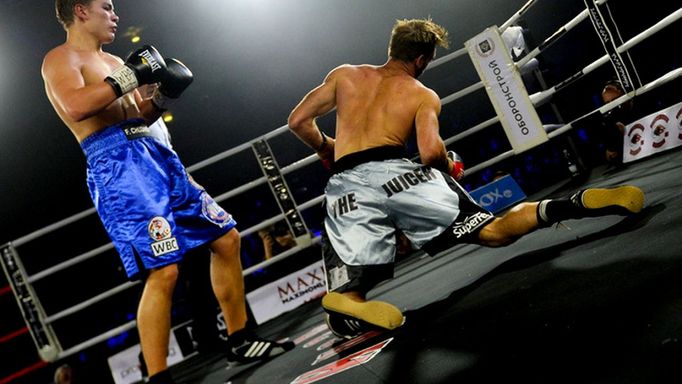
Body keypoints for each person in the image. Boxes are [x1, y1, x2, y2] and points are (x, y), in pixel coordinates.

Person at [287, 18, 645, 339]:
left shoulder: (345, 75)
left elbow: (298, 120)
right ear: (422, 60)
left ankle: (349, 297)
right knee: (492, 230)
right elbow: (429, 154)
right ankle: (575, 204)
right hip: (399, 174)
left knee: (353, 280)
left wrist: (326, 147)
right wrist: (450, 169)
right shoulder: (421, 93)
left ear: (392, 49)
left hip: (347, 185)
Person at [41, 1, 292, 382]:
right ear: (80, 10)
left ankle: (241, 337)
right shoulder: (60, 59)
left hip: (155, 154)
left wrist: (163, 96)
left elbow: (139, 114)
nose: (115, 15)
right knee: (163, 271)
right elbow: (77, 107)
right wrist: (132, 75)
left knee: (226, 236)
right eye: (106, 7)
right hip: (118, 165)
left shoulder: (111, 62)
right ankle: (158, 378)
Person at [600, 80, 634, 164]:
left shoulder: (641, 104)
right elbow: (609, 155)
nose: (612, 105)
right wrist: (612, 149)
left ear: (623, 94)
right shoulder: (610, 118)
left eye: (615, 100)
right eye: (608, 103)